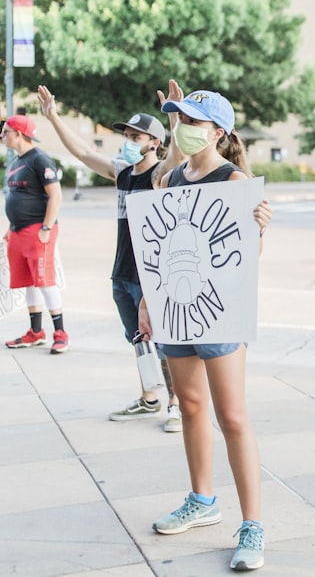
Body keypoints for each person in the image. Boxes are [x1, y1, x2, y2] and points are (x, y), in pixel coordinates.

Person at [137, 89, 272, 572]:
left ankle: (252, 524)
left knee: (232, 416)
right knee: (191, 405)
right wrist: (148, 303)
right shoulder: (170, 178)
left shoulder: (235, 179)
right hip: (175, 306)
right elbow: (156, 247)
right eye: (178, 118)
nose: (181, 126)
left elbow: (244, 260)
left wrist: (259, 228)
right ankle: (202, 499)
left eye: (192, 119)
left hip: (219, 310)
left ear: (218, 131)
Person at [37, 84, 184, 432]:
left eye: (137, 135)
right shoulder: (122, 172)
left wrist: (175, 120)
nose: (129, 140)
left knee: (163, 342)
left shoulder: (160, 174)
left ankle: (176, 404)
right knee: (137, 338)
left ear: (154, 142)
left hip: (151, 275)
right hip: (123, 274)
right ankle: (150, 397)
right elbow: (85, 153)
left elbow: (178, 158)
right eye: (127, 134)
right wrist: (54, 118)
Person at [3, 114, 70, 355]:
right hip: (18, 231)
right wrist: (10, 230)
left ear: (18, 134)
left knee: (44, 279)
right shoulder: (15, 162)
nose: (2, 136)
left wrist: (46, 227)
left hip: (38, 229)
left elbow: (56, 195)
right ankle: (35, 331)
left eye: (5, 132)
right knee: (28, 280)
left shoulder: (40, 159)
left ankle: (60, 333)